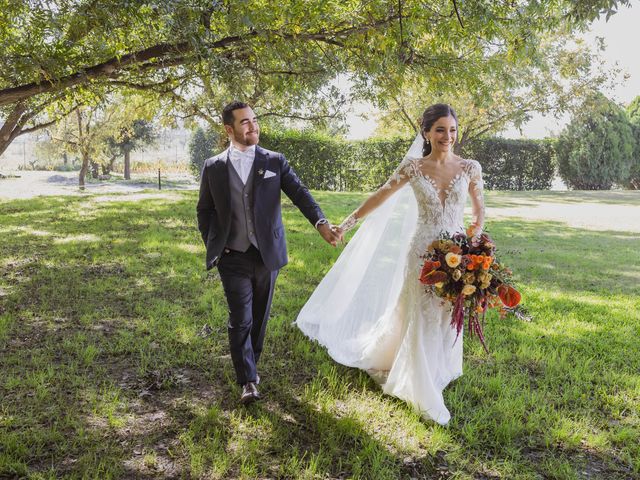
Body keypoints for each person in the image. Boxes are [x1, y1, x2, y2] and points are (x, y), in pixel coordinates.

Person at [296, 104, 485, 424]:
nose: (447, 136)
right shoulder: (413, 167)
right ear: (426, 133)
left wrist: (472, 241)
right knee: (421, 311)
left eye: (452, 130)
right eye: (440, 130)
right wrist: (348, 222)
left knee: (444, 312)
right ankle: (422, 384)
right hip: (422, 252)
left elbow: (480, 213)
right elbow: (380, 196)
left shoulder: (470, 167)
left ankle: (439, 366)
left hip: (458, 252)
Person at [197, 101, 341, 404]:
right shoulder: (214, 167)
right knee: (241, 318)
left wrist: (321, 223)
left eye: (254, 120)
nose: (253, 126)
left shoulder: (274, 161)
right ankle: (247, 380)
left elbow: (300, 194)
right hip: (232, 255)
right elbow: (205, 211)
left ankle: (252, 363)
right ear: (229, 129)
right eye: (245, 122)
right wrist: (215, 245)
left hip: (266, 254)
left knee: (259, 318)